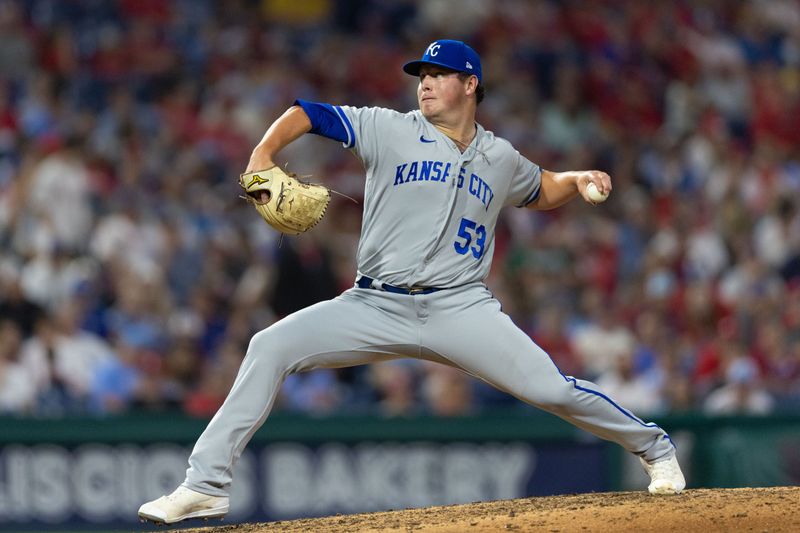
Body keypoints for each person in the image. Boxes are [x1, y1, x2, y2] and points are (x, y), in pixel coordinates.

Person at [139, 39, 685, 525]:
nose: (424, 82)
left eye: (438, 73)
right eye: (421, 74)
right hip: (373, 302)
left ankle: (655, 447)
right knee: (269, 344)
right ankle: (204, 486)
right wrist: (263, 153)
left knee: (552, 389)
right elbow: (307, 113)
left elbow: (540, 187)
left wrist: (577, 178)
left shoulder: (499, 156)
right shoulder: (390, 128)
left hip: (461, 308)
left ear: (470, 85)